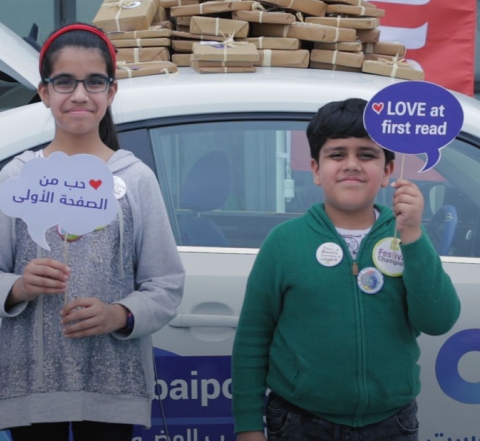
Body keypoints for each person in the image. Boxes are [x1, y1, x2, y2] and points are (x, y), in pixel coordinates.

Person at [231, 98, 461, 441]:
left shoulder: (407, 238)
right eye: (337, 155)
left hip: (391, 424)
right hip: (299, 422)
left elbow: (438, 320)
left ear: (387, 172)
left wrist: (413, 234)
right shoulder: (284, 243)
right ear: (315, 169)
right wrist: (248, 426)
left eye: (367, 155)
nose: (351, 165)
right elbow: (252, 338)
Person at [0, 23, 185, 441]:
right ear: (44, 93)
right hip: (29, 387)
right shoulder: (18, 176)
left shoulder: (135, 179)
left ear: (112, 92)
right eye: (64, 82)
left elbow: (166, 284)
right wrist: (18, 287)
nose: (79, 95)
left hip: (111, 387)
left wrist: (118, 314)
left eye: (94, 82)